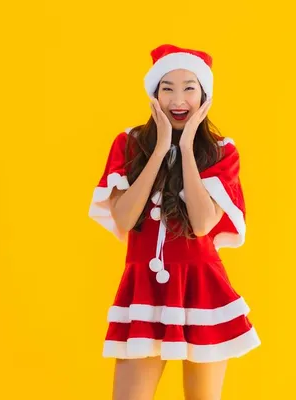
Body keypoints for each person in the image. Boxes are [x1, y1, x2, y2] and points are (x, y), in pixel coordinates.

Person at [88, 44, 261, 400]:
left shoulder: (221, 151)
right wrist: (161, 146)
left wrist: (184, 149)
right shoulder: (129, 143)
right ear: (154, 93)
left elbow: (200, 225)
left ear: (204, 95)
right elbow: (124, 217)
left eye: (189, 88)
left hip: (202, 289)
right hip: (143, 290)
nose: (178, 99)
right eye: (167, 87)